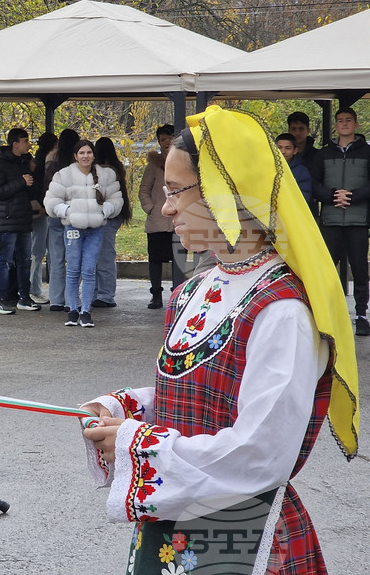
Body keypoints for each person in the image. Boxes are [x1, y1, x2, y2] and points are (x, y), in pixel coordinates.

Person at [80, 105, 359, 574]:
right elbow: (205, 397)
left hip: (241, 538)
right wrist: (127, 409)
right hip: (173, 529)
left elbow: (261, 453)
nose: (166, 207)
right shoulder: (196, 287)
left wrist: (140, 445)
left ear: (225, 193)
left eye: (175, 192)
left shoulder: (282, 311)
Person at [44, 139, 123, 327]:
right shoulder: (63, 175)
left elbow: (116, 198)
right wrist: (68, 213)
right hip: (72, 229)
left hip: (96, 230)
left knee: (89, 270)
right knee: (73, 270)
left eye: (88, 152)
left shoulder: (106, 175)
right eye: (81, 153)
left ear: (93, 155)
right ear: (75, 156)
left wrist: (106, 210)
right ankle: (73, 310)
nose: (85, 156)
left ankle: (86, 311)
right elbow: (51, 201)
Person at [310, 107, 370, 337]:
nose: (344, 124)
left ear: (356, 124)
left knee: (359, 268)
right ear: (336, 125)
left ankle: (362, 315)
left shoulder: (366, 152)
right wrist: (333, 195)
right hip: (330, 219)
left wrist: (353, 197)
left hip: (358, 220)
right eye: (340, 120)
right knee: (327, 268)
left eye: (348, 120)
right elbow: (314, 182)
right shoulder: (323, 154)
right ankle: (327, 314)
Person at [0, 127, 41, 314]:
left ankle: (24, 297)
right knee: (6, 260)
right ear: (15, 144)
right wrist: (21, 182)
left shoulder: (24, 163)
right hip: (7, 220)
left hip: (23, 219)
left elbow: (28, 188)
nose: (29, 144)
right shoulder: (0, 165)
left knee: (24, 260)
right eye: (25, 141)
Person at [139, 124, 186, 309]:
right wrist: (151, 208)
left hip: (179, 219)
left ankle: (178, 293)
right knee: (155, 259)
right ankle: (156, 294)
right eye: (163, 139)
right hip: (157, 220)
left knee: (179, 258)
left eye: (170, 138)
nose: (167, 142)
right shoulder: (153, 165)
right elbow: (144, 190)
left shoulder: (184, 162)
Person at [92, 137, 133, 308]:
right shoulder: (118, 169)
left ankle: (105, 294)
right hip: (112, 216)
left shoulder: (104, 172)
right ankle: (102, 292)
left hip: (105, 217)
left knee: (103, 257)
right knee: (103, 255)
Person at [43, 128, 80, 312]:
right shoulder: (78, 167)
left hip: (55, 215)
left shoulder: (52, 164)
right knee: (74, 259)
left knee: (56, 258)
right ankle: (70, 300)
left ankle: (56, 299)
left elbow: (46, 189)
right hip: (74, 216)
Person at [28, 131, 56, 305]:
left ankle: (35, 288)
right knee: (37, 251)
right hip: (41, 211)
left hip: (41, 210)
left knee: (37, 251)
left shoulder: (36, 162)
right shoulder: (43, 164)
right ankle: (33, 289)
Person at [276, 132, 313, 202]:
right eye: (279, 148)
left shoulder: (302, 171)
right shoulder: (267, 168)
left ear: (295, 150)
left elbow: (305, 197)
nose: (283, 151)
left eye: (288, 148)